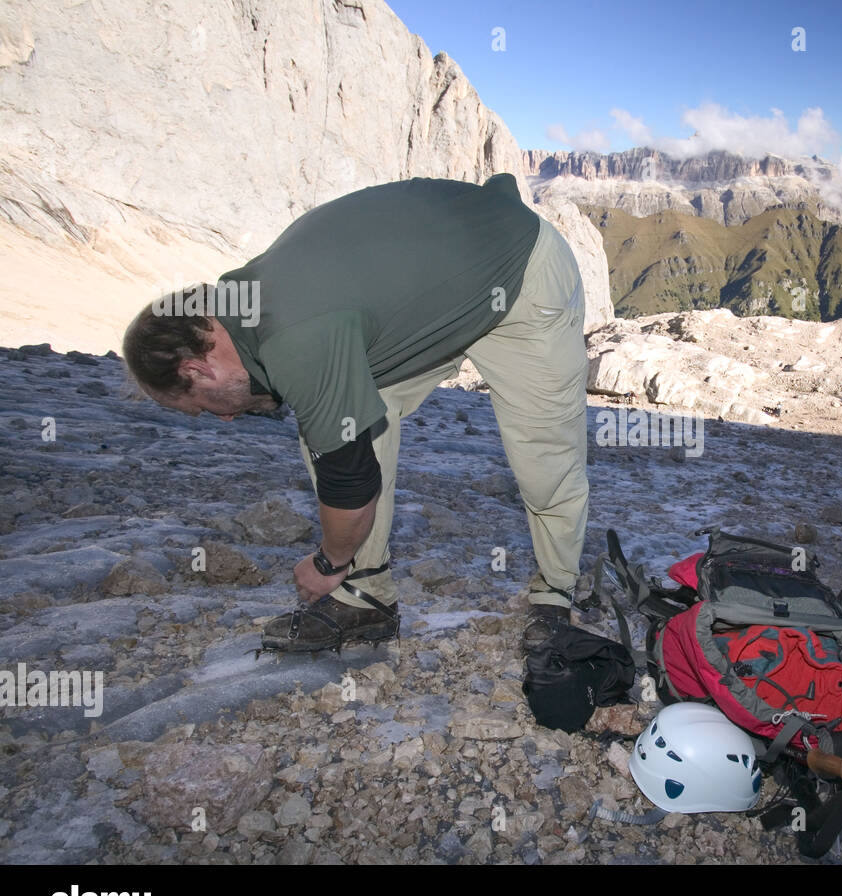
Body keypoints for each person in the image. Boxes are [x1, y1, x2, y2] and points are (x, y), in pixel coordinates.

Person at [122, 174, 589, 654]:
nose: (223, 419)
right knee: (338, 419)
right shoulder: (247, 302)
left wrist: (327, 562)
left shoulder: (295, 338)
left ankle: (556, 594)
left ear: (198, 370)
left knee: (544, 457)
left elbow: (351, 484)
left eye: (201, 408)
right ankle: (368, 595)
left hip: (520, 269)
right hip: (437, 289)